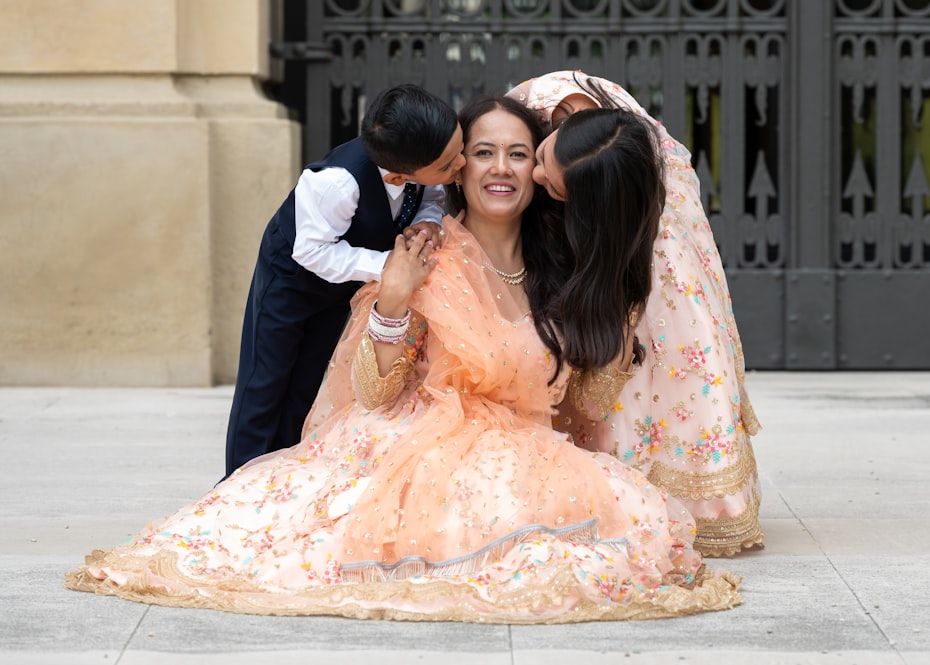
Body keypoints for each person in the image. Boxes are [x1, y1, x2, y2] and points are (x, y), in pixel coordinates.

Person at [65, 96, 741, 622]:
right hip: (416, 442)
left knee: (632, 530)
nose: (501, 168)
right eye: (482, 153)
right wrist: (392, 301)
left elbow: (586, 407)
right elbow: (375, 389)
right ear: (455, 166)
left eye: (518, 153)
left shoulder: (563, 271)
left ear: (544, 174)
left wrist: (616, 323)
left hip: (523, 451)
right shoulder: (425, 254)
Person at [509, 71, 764, 557]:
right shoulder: (542, 106)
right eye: (539, 160)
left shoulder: (624, 175)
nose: (536, 177)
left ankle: (690, 498)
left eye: (554, 187)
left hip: (642, 238)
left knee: (670, 355)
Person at [224, 84, 466, 478]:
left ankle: (279, 477)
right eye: (449, 162)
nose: (462, 162)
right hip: (291, 280)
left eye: (460, 147)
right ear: (402, 172)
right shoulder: (337, 183)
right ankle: (238, 481)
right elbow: (312, 251)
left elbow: (430, 193)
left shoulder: (425, 160)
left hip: (343, 284)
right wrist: (388, 265)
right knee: (265, 381)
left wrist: (428, 218)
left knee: (307, 380)